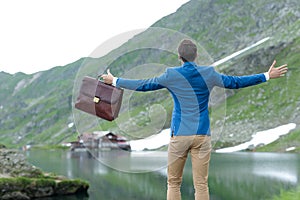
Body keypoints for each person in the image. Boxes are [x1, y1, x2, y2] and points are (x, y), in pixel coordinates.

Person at [101, 39, 288, 200]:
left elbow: (143, 85)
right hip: (202, 135)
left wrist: (115, 80)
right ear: (196, 55)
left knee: (173, 183)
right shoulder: (209, 73)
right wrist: (266, 75)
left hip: (180, 135)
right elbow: (236, 82)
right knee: (201, 184)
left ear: (179, 57)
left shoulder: (171, 74)